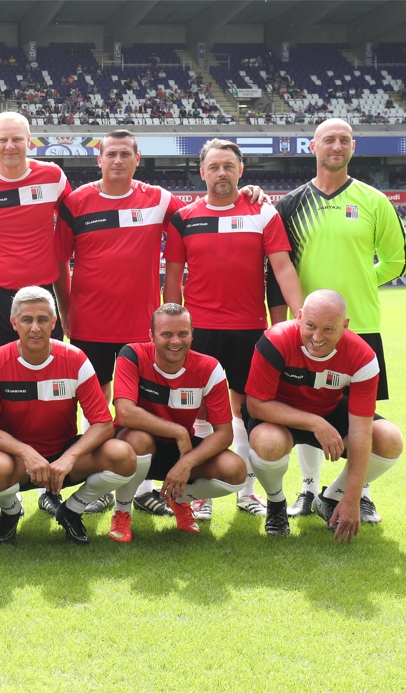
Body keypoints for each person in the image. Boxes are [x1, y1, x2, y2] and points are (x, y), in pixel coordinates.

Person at [55, 130, 265, 518]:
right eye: (110, 154)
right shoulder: (76, 202)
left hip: (143, 331)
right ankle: (95, 483)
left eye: (125, 154)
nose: (117, 160)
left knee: (152, 411)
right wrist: (67, 315)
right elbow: (57, 266)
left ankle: (145, 489)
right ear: (98, 160)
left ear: (138, 159)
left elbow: (208, 205)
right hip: (90, 326)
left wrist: (247, 191)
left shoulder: (161, 200)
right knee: (94, 411)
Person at [268, 118, 406, 522]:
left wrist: (359, 287)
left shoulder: (373, 200)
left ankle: (355, 491)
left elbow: (396, 260)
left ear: (353, 147)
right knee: (309, 403)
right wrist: (281, 321)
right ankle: (309, 490)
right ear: (312, 146)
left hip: (360, 325)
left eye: (344, 140)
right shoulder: (291, 204)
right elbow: (280, 270)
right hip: (305, 331)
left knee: (358, 413)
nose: (336, 145)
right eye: (328, 139)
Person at [164, 139, 303, 517]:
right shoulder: (185, 217)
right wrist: (171, 326)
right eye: (214, 166)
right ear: (202, 172)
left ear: (241, 171)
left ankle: (246, 492)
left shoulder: (262, 211)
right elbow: (173, 279)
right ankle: (203, 493)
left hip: (249, 329)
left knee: (246, 410)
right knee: (201, 414)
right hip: (200, 332)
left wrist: (300, 312)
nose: (221, 173)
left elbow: (282, 267)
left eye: (228, 166)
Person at [0, 286, 136, 546]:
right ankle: (11, 512)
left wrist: (69, 457)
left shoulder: (75, 359)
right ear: (14, 323)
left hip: (63, 457)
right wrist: (26, 452)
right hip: (18, 461)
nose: (35, 328)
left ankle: (72, 510)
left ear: (54, 322)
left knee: (123, 455)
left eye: (42, 319)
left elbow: (104, 424)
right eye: (27, 320)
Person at [245, 290, 403, 540]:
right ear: (299, 317)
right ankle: (276, 504)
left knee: (389, 439)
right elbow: (256, 404)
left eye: (329, 329)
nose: (317, 337)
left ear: (345, 325)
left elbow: (361, 430)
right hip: (280, 415)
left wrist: (351, 498)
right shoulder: (275, 340)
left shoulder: (363, 357)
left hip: (330, 410)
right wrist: (314, 423)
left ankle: (331, 498)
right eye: (310, 326)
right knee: (268, 444)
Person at [109, 304, 247, 542]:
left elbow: (224, 433)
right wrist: (179, 432)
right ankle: (122, 510)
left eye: (183, 333)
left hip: (181, 451)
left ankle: (179, 499)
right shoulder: (132, 354)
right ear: (151, 336)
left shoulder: (209, 367)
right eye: (166, 334)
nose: (175, 341)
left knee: (235, 471)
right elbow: (125, 414)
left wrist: (188, 462)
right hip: (136, 447)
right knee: (138, 439)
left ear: (193, 333)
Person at [0, 112, 71, 372]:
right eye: (2, 140)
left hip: (41, 294)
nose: (9, 146)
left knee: (46, 373)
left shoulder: (52, 176)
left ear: (30, 141)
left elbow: (71, 218)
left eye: (17, 139)